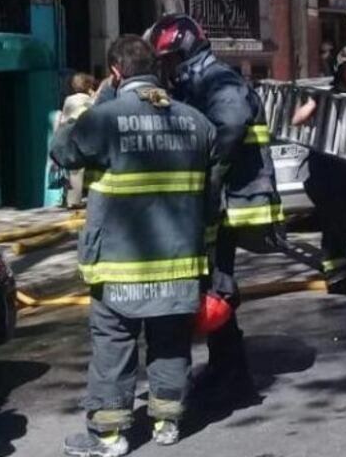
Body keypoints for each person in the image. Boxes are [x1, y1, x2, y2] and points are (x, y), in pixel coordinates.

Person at [53, 36, 217, 456]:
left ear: (115, 72)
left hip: (119, 266)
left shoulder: (104, 118)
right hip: (179, 264)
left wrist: (94, 104)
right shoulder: (197, 122)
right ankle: (167, 422)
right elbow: (212, 192)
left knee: (114, 347)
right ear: (159, 69)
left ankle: (108, 437)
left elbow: (61, 151)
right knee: (170, 343)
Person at [144, 13, 284, 406]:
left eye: (169, 59)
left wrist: (207, 173)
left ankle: (235, 379)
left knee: (218, 285)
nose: (166, 67)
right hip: (221, 201)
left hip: (232, 201)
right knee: (214, 283)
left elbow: (232, 122)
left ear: (184, 50)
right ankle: (227, 369)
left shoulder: (216, 78)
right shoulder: (196, 80)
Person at [292, 44, 346, 287]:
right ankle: (334, 268)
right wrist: (313, 105)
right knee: (334, 216)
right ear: (340, 70)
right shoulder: (323, 96)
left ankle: (341, 262)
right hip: (324, 168)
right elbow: (298, 119)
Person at [58, 72, 97, 208]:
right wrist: (93, 94)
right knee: (80, 170)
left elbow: (63, 118)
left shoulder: (68, 100)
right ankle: (75, 201)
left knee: (73, 170)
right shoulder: (89, 99)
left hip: (69, 137)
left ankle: (70, 198)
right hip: (84, 137)